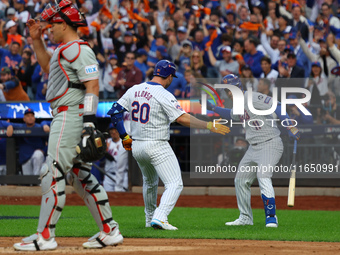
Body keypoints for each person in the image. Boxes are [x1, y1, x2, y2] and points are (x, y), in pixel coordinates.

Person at [13, 0, 123, 251]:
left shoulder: (77, 48)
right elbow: (46, 67)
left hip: (70, 115)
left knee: (52, 171)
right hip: (66, 114)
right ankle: (109, 230)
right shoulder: (66, 49)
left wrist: (87, 123)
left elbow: (93, 86)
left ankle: (45, 236)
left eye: (52, 24)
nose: (48, 28)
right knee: (79, 175)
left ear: (63, 24)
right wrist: (36, 40)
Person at [107, 60, 229, 230]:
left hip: (137, 146)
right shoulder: (163, 94)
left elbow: (114, 112)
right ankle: (160, 216)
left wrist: (124, 136)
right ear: (169, 76)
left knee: (149, 183)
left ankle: (149, 218)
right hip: (156, 144)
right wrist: (208, 125)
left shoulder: (134, 89)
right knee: (175, 183)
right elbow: (182, 118)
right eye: (172, 76)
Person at [205, 74, 300, 228]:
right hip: (253, 147)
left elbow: (277, 105)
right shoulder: (238, 104)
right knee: (240, 180)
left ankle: (271, 217)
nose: (229, 93)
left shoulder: (252, 97)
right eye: (227, 90)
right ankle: (245, 218)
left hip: (270, 144)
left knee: (263, 175)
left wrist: (290, 126)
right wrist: (214, 108)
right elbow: (230, 115)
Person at [7, 109, 49, 175]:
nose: (30, 118)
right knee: (27, 181)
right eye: (28, 116)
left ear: (34, 118)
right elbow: (4, 123)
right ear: (24, 119)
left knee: (38, 154)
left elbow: (49, 142)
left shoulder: (40, 127)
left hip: (38, 156)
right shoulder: (20, 127)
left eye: (32, 116)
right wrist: (9, 125)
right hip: (25, 157)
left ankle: (37, 180)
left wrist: (44, 150)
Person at [103, 124, 128, 192]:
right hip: (109, 175)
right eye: (112, 131)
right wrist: (105, 151)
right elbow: (100, 159)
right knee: (108, 197)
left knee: (122, 197)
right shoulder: (107, 142)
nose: (114, 133)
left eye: (115, 130)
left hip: (123, 175)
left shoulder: (125, 142)